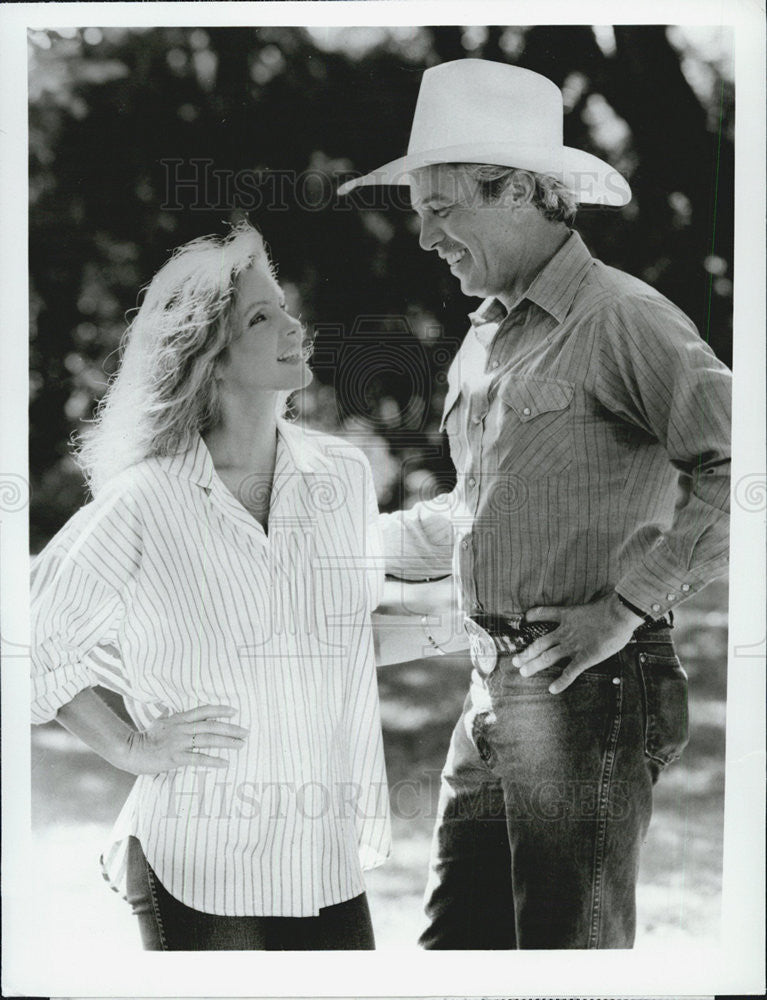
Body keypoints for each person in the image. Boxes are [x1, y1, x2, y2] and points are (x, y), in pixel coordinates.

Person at [341, 59, 731, 949]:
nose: (427, 237)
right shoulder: (488, 337)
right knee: (455, 953)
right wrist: (323, 539)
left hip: (587, 689)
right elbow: (480, 509)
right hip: (491, 689)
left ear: (518, 190)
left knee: (566, 959)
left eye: (443, 208)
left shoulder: (624, 318)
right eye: (420, 214)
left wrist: (626, 610)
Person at [30, 222, 390, 951]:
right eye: (262, 317)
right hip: (196, 861)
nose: (293, 326)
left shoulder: (343, 476)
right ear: (209, 358)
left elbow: (345, 634)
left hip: (323, 858)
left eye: (284, 306)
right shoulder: (145, 501)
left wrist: (466, 628)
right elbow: (29, 639)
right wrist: (130, 746)